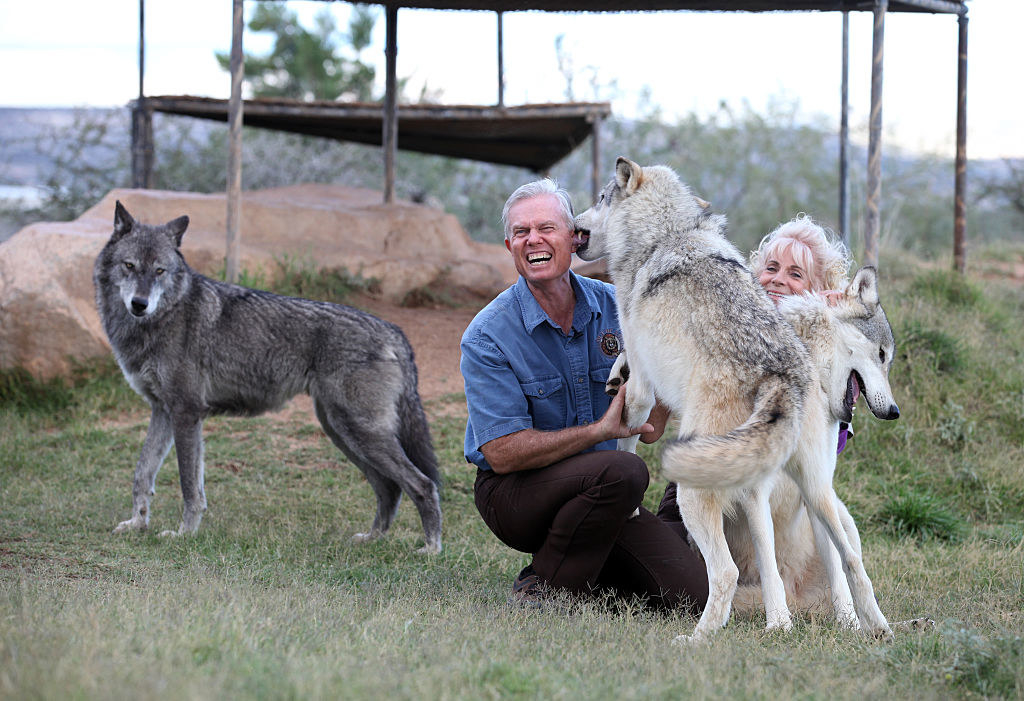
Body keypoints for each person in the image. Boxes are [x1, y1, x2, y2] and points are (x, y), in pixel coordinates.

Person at [460, 178, 707, 611]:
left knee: (689, 595)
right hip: (516, 495)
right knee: (624, 471)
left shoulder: (621, 306)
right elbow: (501, 453)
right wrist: (599, 432)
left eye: (546, 228)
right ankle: (545, 589)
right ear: (509, 246)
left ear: (575, 238)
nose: (533, 239)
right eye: (521, 232)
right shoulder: (486, 335)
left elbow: (652, 426)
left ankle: (581, 573)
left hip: (603, 496)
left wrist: (659, 391)